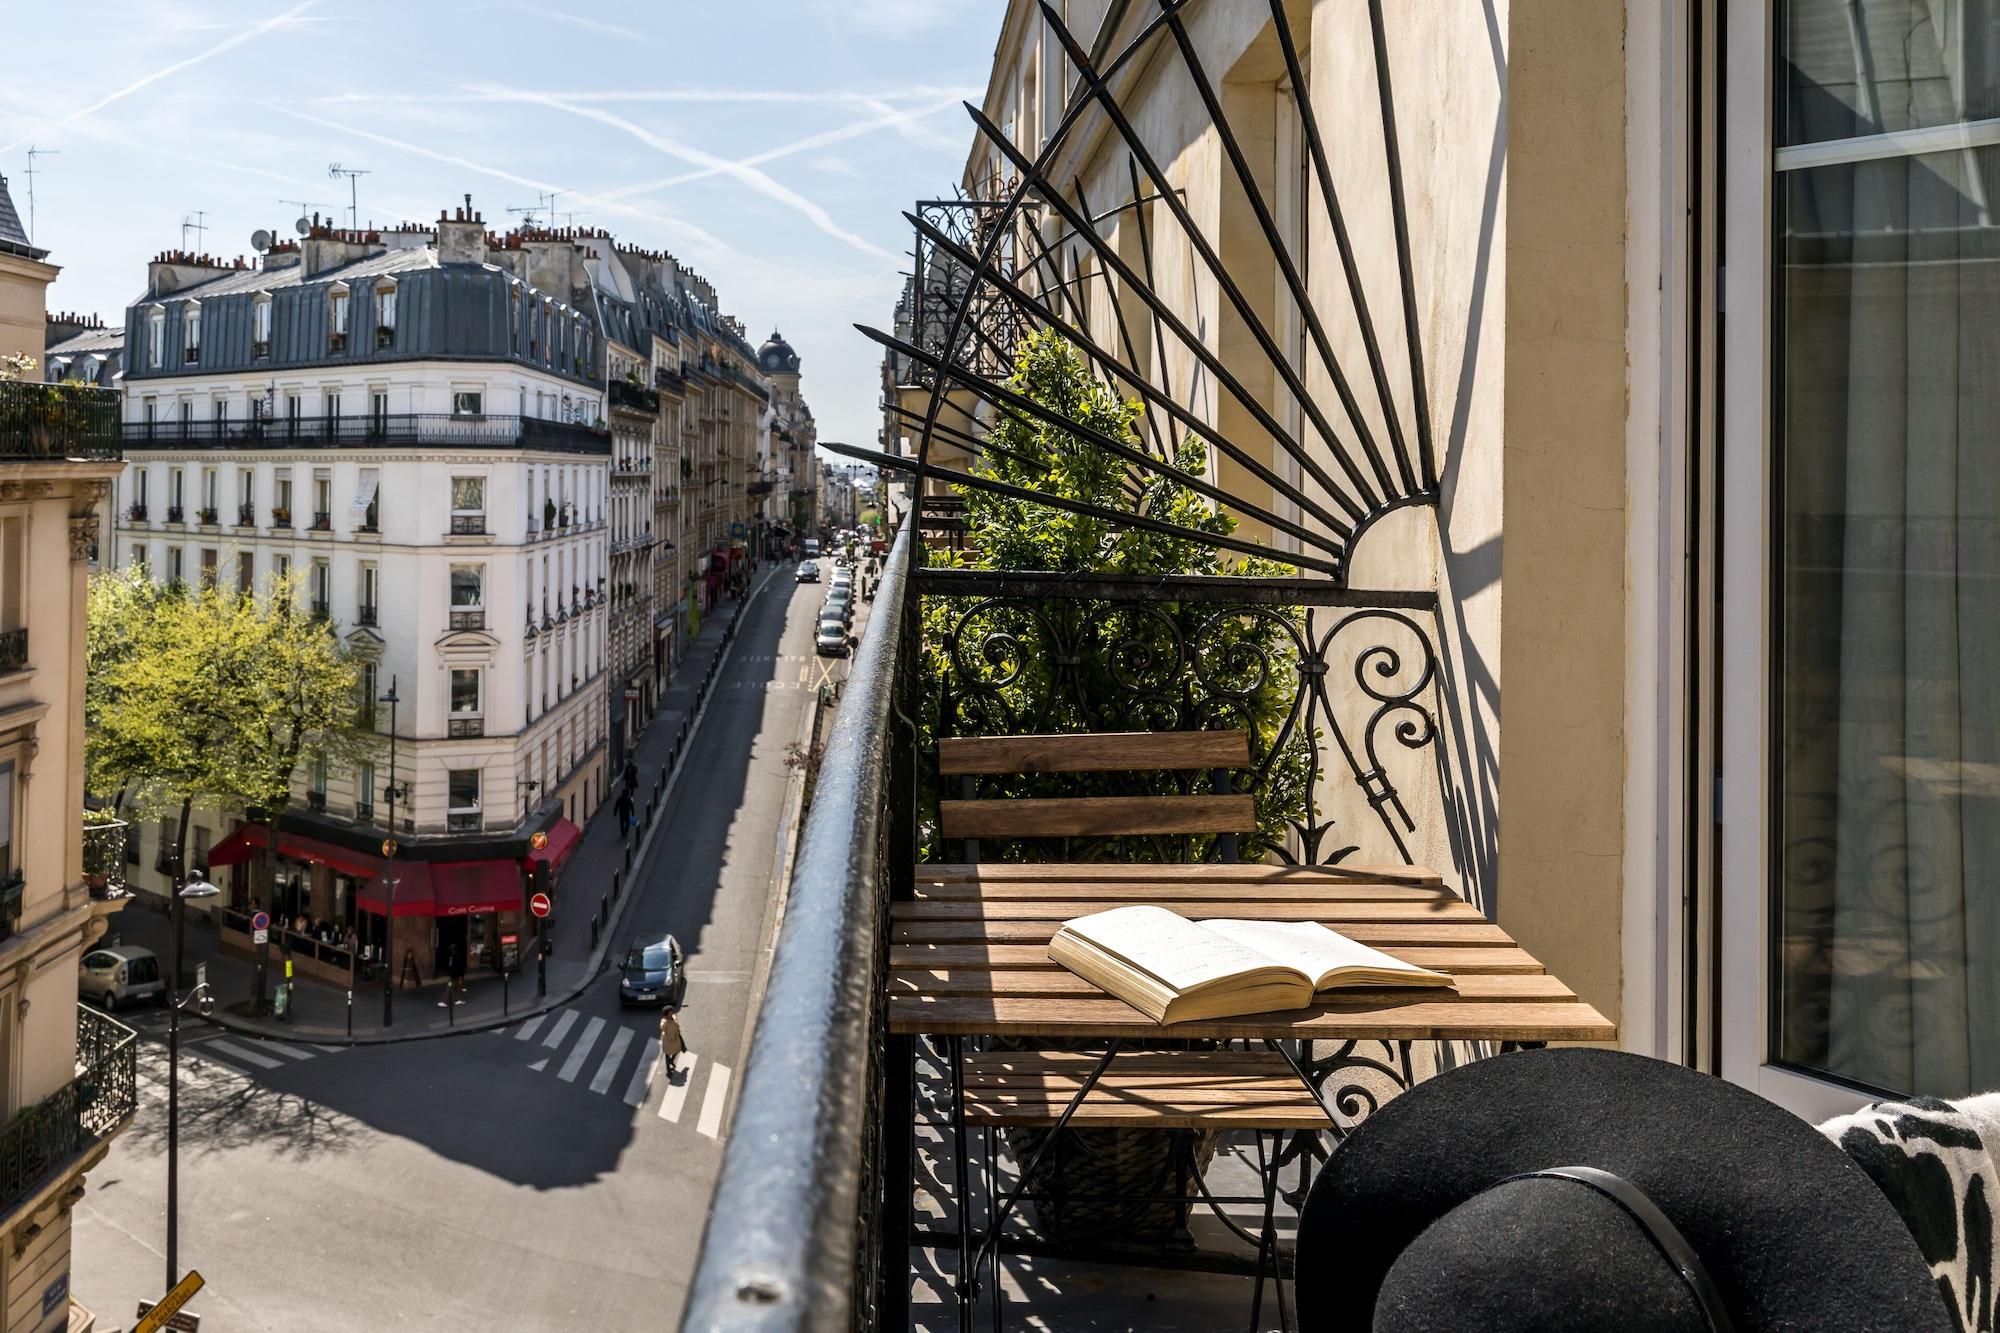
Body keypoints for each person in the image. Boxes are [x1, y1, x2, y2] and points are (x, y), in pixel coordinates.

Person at [658, 1005, 688, 1076]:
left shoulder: (674, 1017)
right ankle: (668, 1069)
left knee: (677, 1050)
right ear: (666, 1014)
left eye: (671, 1012)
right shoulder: (664, 1021)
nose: (671, 1013)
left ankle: (671, 1061)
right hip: (668, 1040)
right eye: (670, 1012)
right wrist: (667, 1021)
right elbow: (662, 1028)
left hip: (676, 1038)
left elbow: (677, 1025)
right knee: (667, 1055)